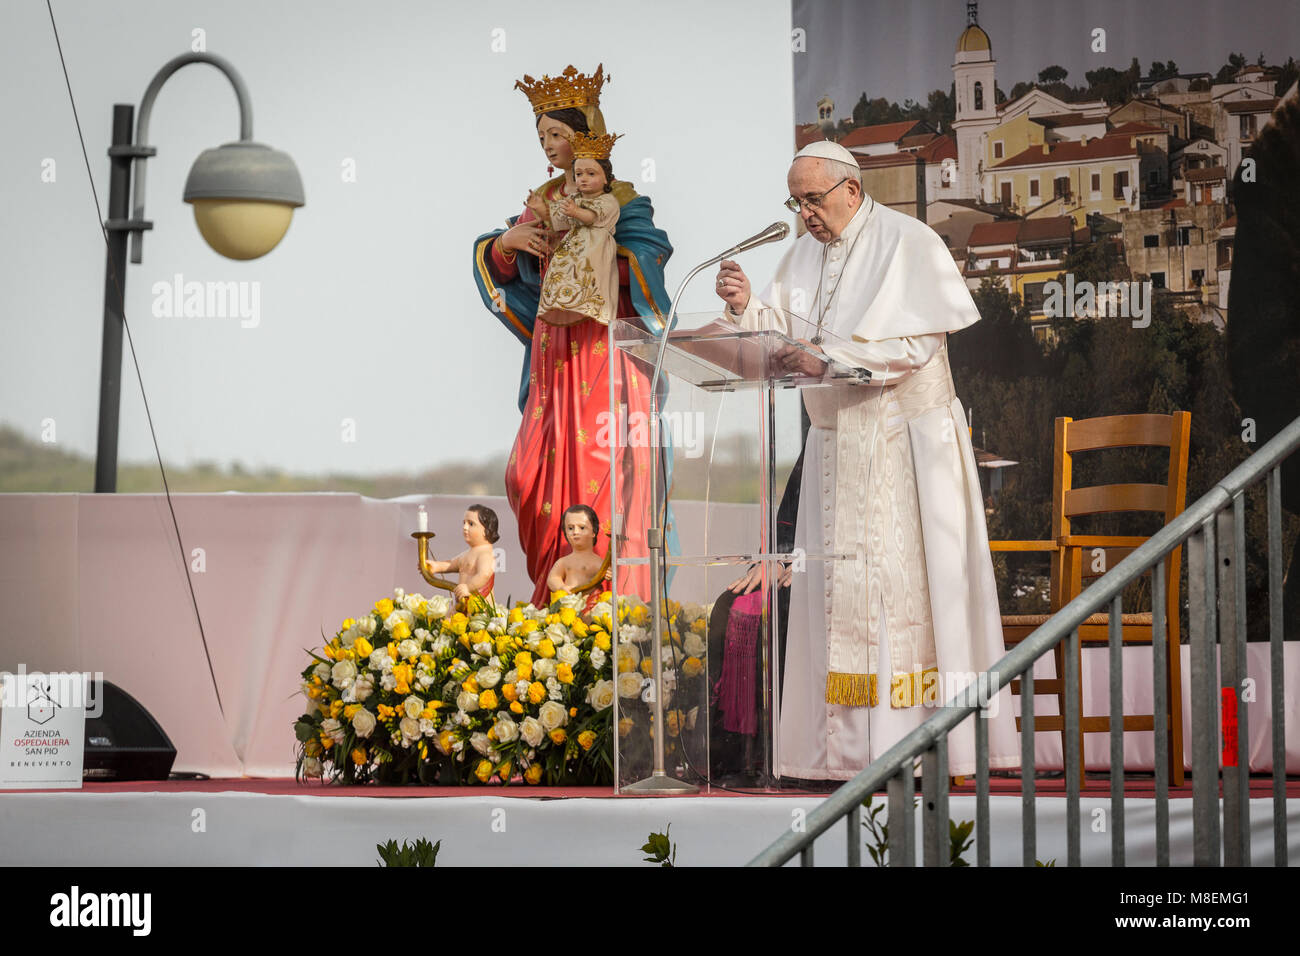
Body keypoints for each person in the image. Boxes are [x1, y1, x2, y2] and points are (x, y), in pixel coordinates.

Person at [715, 140, 1018, 781]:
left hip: (906, 448)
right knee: (836, 600)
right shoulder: (801, 254)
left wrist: (828, 359)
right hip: (834, 447)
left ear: (851, 189)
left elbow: (914, 344)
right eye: (795, 203)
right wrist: (748, 308)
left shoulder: (909, 243)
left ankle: (930, 745)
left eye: (813, 200)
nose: (805, 216)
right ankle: (842, 752)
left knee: (908, 595)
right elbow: (784, 331)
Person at [471, 64, 674, 608]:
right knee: (529, 471)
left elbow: (647, 252)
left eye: (557, 133)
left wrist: (605, 251)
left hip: (601, 347)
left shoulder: (622, 200)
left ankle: (604, 597)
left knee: (598, 462)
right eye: (541, 136)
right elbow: (504, 265)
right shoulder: (540, 199)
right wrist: (507, 242)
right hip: (552, 350)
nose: (549, 145)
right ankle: (551, 593)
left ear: (584, 133)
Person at [529, 132, 623, 326]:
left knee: (589, 279)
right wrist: (540, 208)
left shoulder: (607, 201)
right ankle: (562, 302)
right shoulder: (574, 200)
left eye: (591, 173)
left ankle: (588, 306)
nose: (583, 179)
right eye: (579, 174)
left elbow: (590, 217)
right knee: (563, 273)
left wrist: (575, 211)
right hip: (573, 248)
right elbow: (555, 220)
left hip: (595, 251)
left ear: (606, 178)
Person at [425, 505, 499, 608]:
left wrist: (468, 587)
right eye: (464, 523)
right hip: (463, 604)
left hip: (480, 608)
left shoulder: (486, 553)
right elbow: (452, 564)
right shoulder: (467, 554)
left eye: (471, 524)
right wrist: (436, 566)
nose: (465, 527)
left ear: (486, 529)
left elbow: (484, 574)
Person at [545, 503, 609, 599]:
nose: (575, 532)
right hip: (569, 605)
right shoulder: (564, 562)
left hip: (591, 605)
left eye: (582, 528)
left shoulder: (598, 562)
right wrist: (561, 587)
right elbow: (553, 578)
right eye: (570, 528)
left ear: (593, 532)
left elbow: (606, 573)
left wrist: (609, 574)